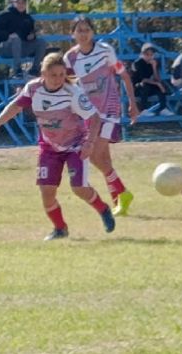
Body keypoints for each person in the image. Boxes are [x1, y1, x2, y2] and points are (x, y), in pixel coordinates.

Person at [0, 53, 115, 240]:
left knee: (78, 188)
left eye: (62, 75)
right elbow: (15, 106)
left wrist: (90, 143)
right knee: (47, 193)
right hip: (49, 147)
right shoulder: (33, 88)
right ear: (43, 74)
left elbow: (94, 118)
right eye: (53, 75)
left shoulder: (72, 92)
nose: (58, 79)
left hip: (76, 146)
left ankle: (103, 209)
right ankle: (60, 228)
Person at [64, 15, 139, 217]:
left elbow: (123, 75)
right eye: (79, 30)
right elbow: (69, 86)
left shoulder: (106, 51)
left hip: (109, 110)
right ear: (73, 34)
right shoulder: (70, 58)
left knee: (96, 154)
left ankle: (122, 193)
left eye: (87, 29)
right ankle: (119, 199)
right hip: (88, 113)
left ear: (93, 32)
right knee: (103, 157)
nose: (83, 34)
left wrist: (132, 103)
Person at [0, 0, 48, 78]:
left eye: (23, 3)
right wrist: (8, 36)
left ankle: (35, 69)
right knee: (16, 39)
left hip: (22, 48)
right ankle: (17, 70)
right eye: (19, 2)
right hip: (6, 48)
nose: (21, 5)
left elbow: (29, 35)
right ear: (13, 3)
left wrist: (32, 37)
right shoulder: (4, 15)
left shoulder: (28, 18)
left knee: (41, 42)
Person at [132, 43, 174, 117]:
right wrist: (157, 84)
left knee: (161, 85)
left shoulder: (153, 63)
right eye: (147, 54)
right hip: (137, 87)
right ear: (142, 54)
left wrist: (154, 67)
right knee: (146, 85)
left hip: (148, 86)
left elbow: (157, 79)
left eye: (151, 54)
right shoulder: (138, 63)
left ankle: (163, 108)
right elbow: (143, 80)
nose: (150, 57)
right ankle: (142, 110)